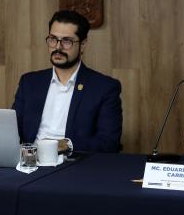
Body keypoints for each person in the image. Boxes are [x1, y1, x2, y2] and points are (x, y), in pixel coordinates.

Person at [12, 10, 122, 153]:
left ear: (83, 45)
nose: (58, 47)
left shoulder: (104, 88)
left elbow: (109, 142)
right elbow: (12, 129)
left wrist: (67, 145)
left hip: (74, 162)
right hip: (30, 160)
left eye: (66, 41)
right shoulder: (30, 83)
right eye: (53, 39)